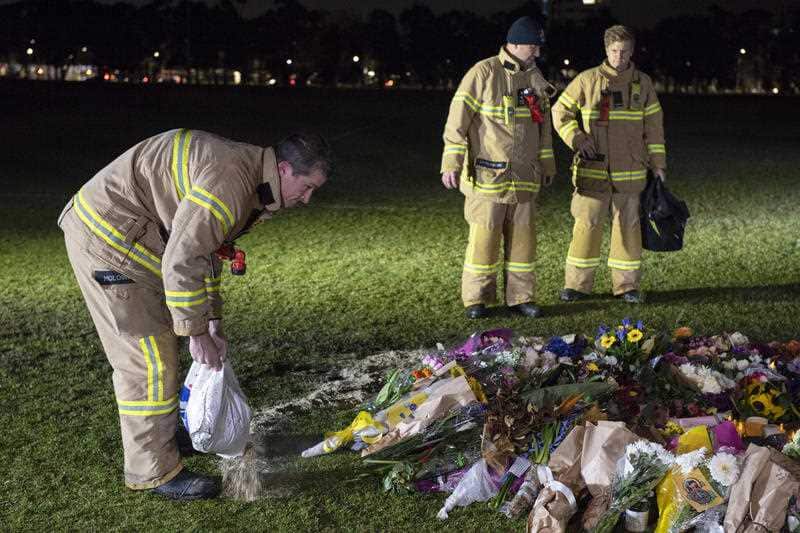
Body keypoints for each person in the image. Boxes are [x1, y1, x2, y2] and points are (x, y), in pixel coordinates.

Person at [58, 129, 332, 500]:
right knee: (149, 361)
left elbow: (204, 251)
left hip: (136, 242)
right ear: (283, 169)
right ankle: (152, 471)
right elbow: (183, 258)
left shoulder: (249, 178)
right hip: (109, 242)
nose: (308, 198)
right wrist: (197, 332)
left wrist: (212, 321)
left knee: (162, 351)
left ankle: (166, 434)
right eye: (308, 187)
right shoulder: (231, 182)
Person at [440, 15, 556, 319]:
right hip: (488, 178)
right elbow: (457, 122)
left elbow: (543, 128)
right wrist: (450, 161)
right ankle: (476, 299)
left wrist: (547, 162)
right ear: (514, 43)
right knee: (484, 241)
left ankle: (521, 298)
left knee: (523, 244)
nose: (538, 53)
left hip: (525, 179)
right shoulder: (483, 72)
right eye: (533, 46)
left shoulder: (535, 78)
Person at [552, 25, 666, 304]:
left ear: (632, 50)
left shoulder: (644, 83)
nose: (619, 56)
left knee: (628, 227)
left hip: (631, 170)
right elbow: (559, 111)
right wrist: (576, 137)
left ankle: (627, 286)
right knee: (586, 226)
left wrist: (659, 165)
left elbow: (654, 128)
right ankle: (576, 285)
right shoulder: (586, 80)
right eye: (614, 50)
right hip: (593, 170)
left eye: (625, 50)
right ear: (606, 50)